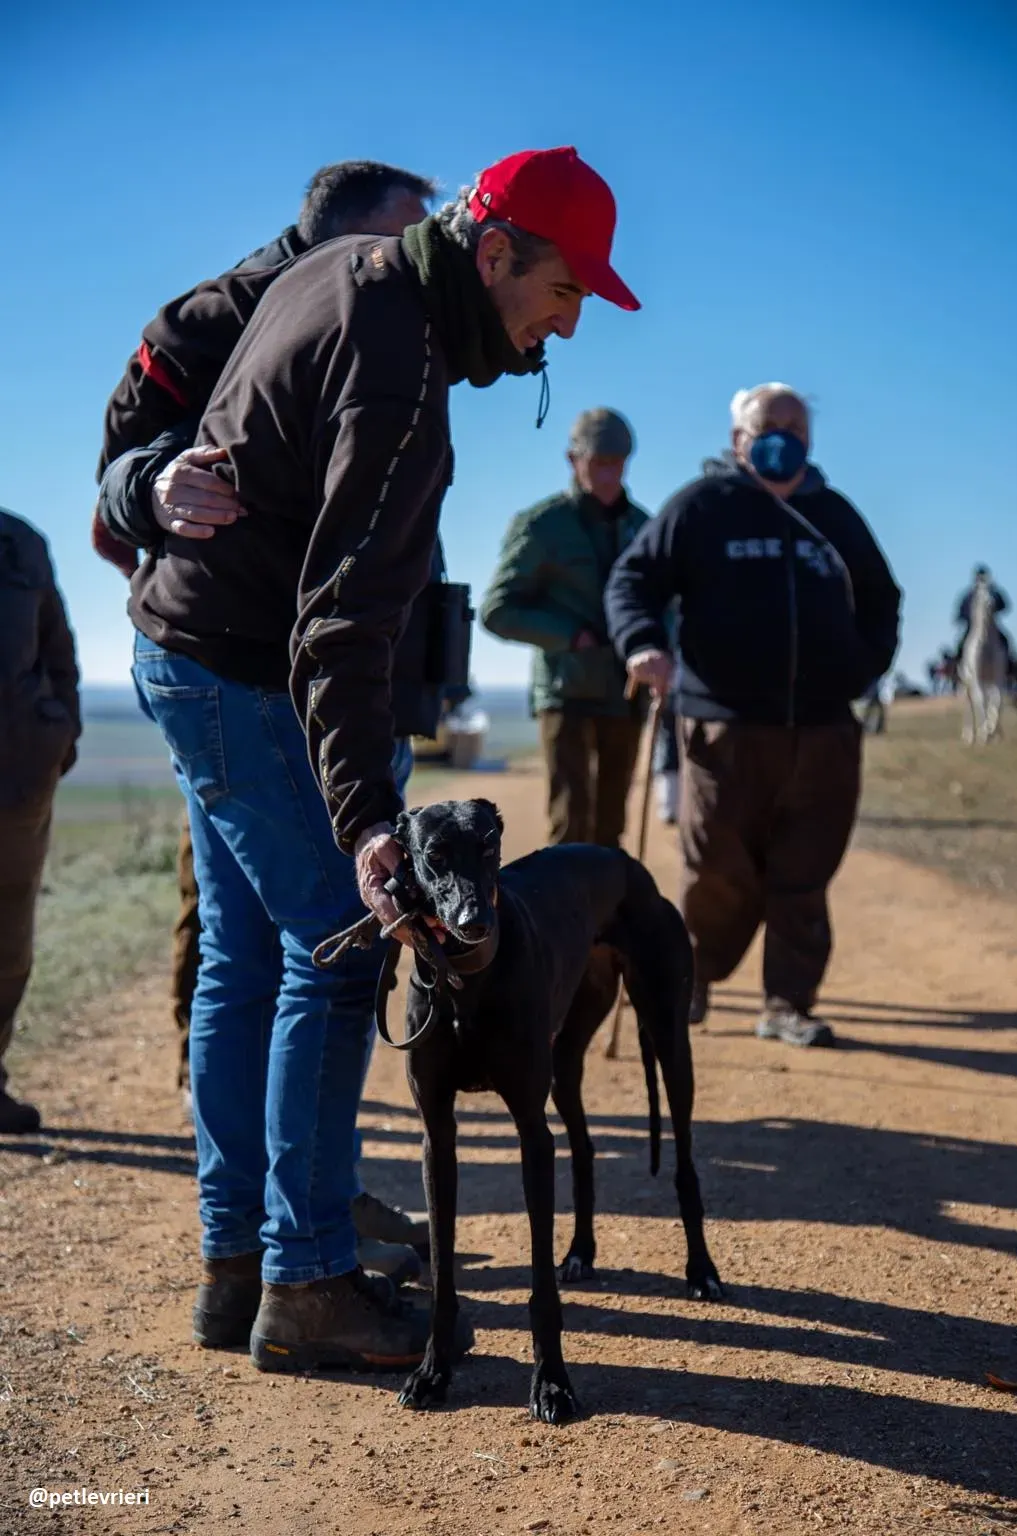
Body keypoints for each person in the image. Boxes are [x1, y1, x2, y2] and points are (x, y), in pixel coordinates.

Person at [121, 145, 638, 1372]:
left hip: (190, 651)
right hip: (242, 677)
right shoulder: (404, 374)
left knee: (248, 965)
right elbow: (343, 625)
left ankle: (236, 1263)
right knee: (339, 955)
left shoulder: (343, 267)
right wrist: (367, 825)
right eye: (565, 292)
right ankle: (305, 1284)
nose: (567, 325)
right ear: (496, 254)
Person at [94, 159, 442, 1285]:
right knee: (309, 955)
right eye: (405, 236)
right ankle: (296, 1253)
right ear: (342, 236)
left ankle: (253, 1240)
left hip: (314, 680)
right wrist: (150, 486)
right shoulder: (224, 313)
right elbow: (117, 469)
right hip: (242, 678)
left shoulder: (376, 319)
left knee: (251, 965)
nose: (417, 257)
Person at [605, 382, 901, 1048]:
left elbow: (882, 596)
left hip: (824, 728)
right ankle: (687, 982)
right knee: (717, 865)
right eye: (771, 425)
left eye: (798, 425)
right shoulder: (702, 505)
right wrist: (644, 644)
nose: (785, 436)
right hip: (723, 724)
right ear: (738, 440)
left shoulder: (834, 513)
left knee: (806, 869)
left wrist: (865, 666)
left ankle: (787, 1003)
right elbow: (633, 579)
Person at [479, 408, 648, 847]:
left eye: (617, 463)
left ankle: (610, 916)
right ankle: (565, 916)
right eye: (598, 463)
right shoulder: (542, 526)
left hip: (626, 695)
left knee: (611, 830)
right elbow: (496, 610)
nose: (609, 474)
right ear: (573, 460)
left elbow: (663, 603)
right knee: (570, 827)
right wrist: (569, 636)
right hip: (565, 694)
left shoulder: (644, 529)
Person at [0, 508, 81, 1133]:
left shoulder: (20, 542)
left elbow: (59, 646)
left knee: (8, 944)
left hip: (16, 776)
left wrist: (59, 732)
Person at [953, 565, 1011, 663]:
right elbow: (961, 610)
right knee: (961, 644)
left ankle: (1009, 667)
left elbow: (1005, 605)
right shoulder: (969, 595)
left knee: (1005, 640)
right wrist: (962, 617)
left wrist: (995, 608)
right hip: (972, 625)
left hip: (992, 624)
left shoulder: (993, 593)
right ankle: (958, 668)